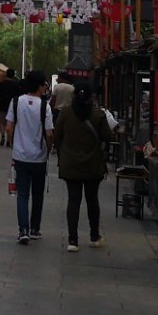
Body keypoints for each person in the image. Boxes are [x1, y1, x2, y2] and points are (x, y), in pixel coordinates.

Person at [54, 85, 110, 252]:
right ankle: (94, 236)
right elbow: (107, 137)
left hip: (71, 164)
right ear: (91, 97)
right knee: (92, 200)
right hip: (93, 164)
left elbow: (57, 136)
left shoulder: (65, 113)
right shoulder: (99, 114)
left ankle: (73, 240)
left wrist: (63, 152)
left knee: (73, 200)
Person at [5, 69, 54, 244]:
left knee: (22, 194)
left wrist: (13, 143)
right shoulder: (44, 106)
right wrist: (48, 150)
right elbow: (49, 133)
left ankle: (23, 230)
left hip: (20, 155)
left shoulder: (16, 102)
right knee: (38, 194)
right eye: (44, 84)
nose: (45, 87)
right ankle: (35, 228)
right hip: (39, 157)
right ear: (40, 86)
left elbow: (9, 127)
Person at [0, 73, 21, 148]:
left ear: (6, 75)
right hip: (13, 106)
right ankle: (8, 140)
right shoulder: (16, 85)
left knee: (2, 122)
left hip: (3, 105)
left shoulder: (1, 84)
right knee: (11, 123)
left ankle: (3, 135)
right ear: (13, 76)